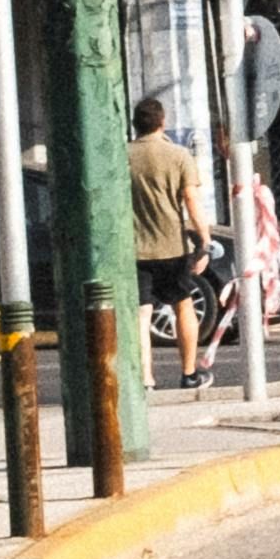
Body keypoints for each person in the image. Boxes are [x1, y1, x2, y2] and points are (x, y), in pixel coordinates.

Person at [124, 95, 207, 388]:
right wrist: (204, 241)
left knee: (141, 314)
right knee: (183, 305)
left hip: (135, 248)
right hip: (172, 246)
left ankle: (146, 379)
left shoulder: (123, 155)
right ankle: (189, 373)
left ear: (135, 124)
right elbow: (191, 200)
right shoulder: (179, 156)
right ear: (162, 122)